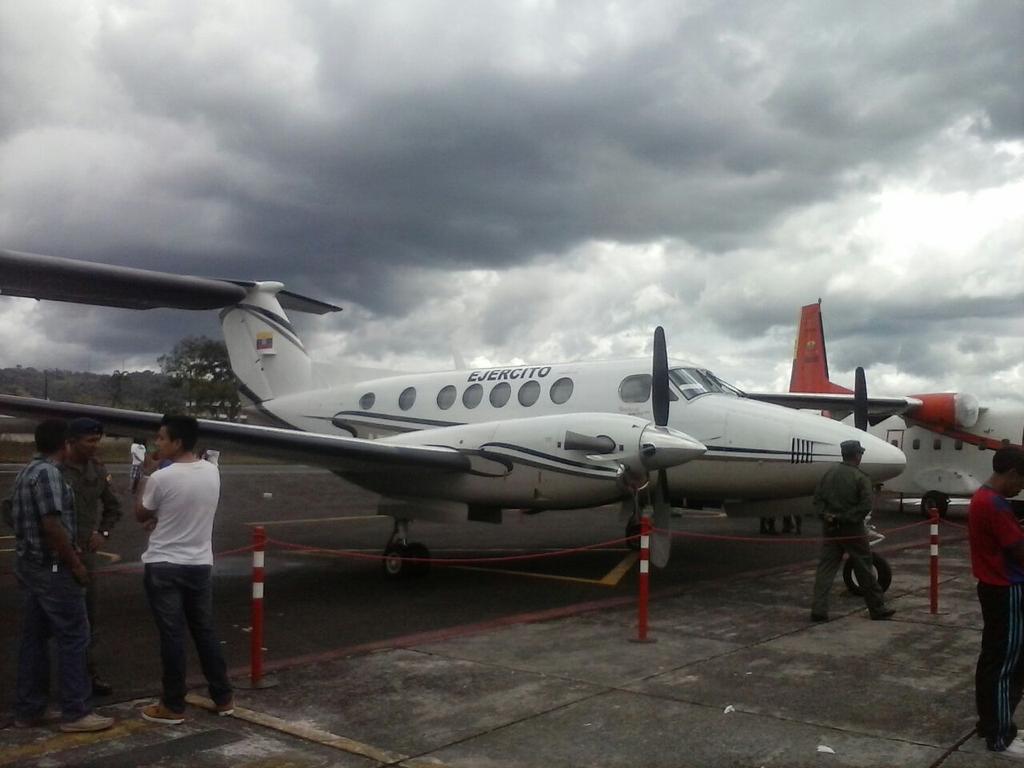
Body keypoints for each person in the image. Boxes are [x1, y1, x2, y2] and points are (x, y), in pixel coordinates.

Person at [11, 419, 114, 732]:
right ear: (66, 444)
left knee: (35, 639)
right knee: (74, 636)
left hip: (33, 567)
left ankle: (29, 710)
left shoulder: (27, 471)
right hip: (55, 568)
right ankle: (76, 712)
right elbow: (53, 525)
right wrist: (76, 565)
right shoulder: (50, 475)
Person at [135, 414, 233, 724]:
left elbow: (141, 513)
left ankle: (173, 704)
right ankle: (224, 697)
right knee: (204, 631)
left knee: (173, 636)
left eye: (162, 438)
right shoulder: (212, 472)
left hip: (164, 564)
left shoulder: (161, 478)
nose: (157, 443)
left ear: (177, 442)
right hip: (199, 564)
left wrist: (145, 475)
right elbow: (183, 509)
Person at [968, 446, 1024, 755]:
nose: (1021, 488)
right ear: (1013, 473)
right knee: (1008, 664)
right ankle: (1000, 734)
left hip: (992, 587)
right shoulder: (997, 505)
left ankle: (988, 722)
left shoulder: (981, 498)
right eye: (1022, 481)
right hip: (1007, 589)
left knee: (992, 659)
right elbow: (1019, 551)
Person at [62, 417, 122, 697]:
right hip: (55, 554)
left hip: (85, 557)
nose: (95, 446)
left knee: (87, 618)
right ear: (71, 441)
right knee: (46, 622)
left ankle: (88, 673)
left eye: (97, 441)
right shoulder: (52, 469)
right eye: (89, 441)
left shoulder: (97, 469)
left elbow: (113, 508)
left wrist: (104, 533)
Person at [809, 439, 894, 622]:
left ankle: (819, 610)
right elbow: (865, 505)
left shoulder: (828, 474)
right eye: (860, 453)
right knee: (864, 567)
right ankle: (877, 608)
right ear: (857, 455)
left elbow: (817, 501)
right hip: (852, 529)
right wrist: (846, 518)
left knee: (826, 569)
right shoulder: (860, 477)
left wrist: (828, 516)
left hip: (830, 528)